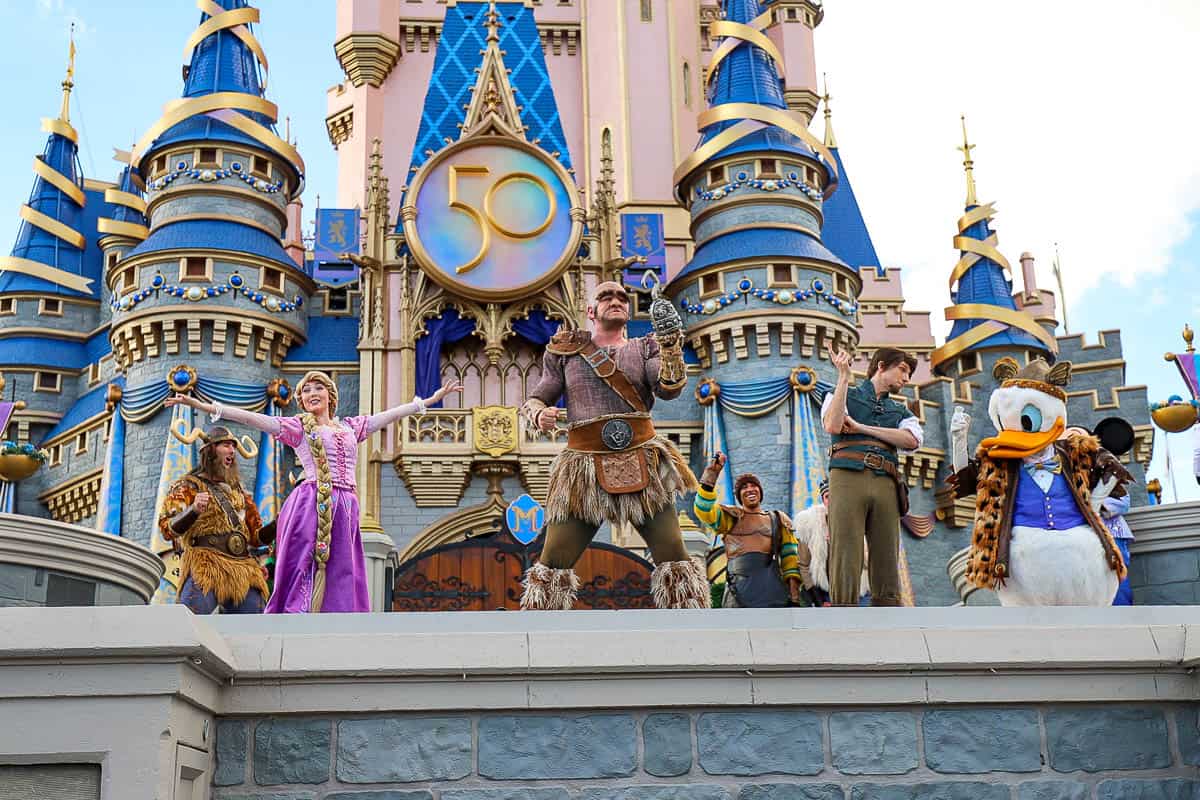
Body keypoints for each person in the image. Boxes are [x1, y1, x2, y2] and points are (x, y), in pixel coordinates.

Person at [166, 372, 461, 613]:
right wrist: (204, 407)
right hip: (311, 501)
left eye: (317, 387)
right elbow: (251, 419)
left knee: (345, 563)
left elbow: (386, 417)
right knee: (302, 559)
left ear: (330, 395)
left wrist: (427, 402)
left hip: (346, 504)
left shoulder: (351, 427)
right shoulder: (296, 428)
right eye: (305, 391)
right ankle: (297, 610)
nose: (311, 393)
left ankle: (341, 614)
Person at [519, 281, 707, 609]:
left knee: (674, 556)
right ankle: (538, 637)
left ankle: (691, 628)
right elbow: (536, 397)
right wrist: (538, 415)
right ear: (590, 311)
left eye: (622, 297)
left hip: (642, 460)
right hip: (583, 468)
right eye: (606, 296)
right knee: (552, 562)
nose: (616, 300)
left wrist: (671, 346)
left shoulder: (645, 347)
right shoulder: (564, 352)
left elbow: (667, 387)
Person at [821, 344, 922, 606]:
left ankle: (888, 612)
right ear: (880, 366)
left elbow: (911, 440)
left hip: (886, 481)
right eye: (902, 370)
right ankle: (843, 612)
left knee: (887, 550)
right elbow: (832, 424)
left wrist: (859, 427)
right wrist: (843, 377)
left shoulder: (901, 411)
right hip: (847, 476)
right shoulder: (844, 395)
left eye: (909, 373)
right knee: (845, 547)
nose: (906, 378)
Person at [158, 424, 269, 614]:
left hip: (242, 568)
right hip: (206, 564)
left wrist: (278, 524)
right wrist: (193, 511)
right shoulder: (188, 485)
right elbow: (167, 529)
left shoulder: (240, 493)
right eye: (226, 445)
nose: (232, 451)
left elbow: (256, 537)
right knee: (189, 621)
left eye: (233, 446)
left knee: (253, 628)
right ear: (210, 451)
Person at [694, 452, 809, 608]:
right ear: (739, 496)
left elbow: (790, 557)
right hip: (738, 587)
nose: (750, 489)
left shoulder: (777, 519)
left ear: (760, 491)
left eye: (753, 485)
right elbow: (703, 509)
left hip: (771, 588)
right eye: (744, 488)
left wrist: (794, 595)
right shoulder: (731, 517)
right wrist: (711, 476)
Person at [791, 479, 870, 606]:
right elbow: (803, 565)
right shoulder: (809, 524)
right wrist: (818, 599)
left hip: (860, 591)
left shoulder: (861, 521)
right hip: (827, 593)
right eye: (828, 496)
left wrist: (847, 542)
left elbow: (871, 561)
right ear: (823, 500)